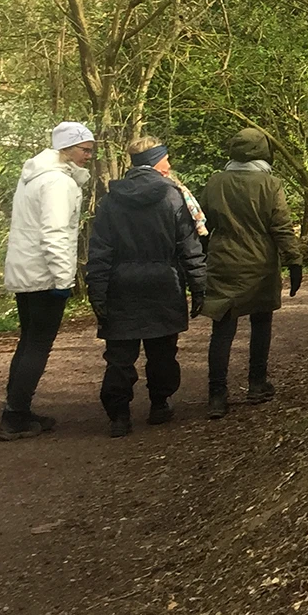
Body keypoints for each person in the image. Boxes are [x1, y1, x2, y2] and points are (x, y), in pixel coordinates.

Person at [85, 137, 206, 437]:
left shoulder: (111, 200)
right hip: (164, 283)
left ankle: (119, 417)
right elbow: (188, 247)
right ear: (156, 161)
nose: (170, 164)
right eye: (166, 159)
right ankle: (159, 404)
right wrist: (199, 286)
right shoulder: (174, 197)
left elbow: (99, 251)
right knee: (163, 351)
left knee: (119, 356)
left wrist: (97, 292)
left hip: (120, 286)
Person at [0, 119, 95, 440]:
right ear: (66, 147)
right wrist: (62, 281)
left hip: (26, 273)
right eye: (84, 149)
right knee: (38, 345)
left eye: (91, 150)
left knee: (28, 341)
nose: (89, 155)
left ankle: (17, 409)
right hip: (44, 276)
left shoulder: (34, 177)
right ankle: (15, 416)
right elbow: (55, 234)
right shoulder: (57, 183)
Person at [197, 128, 302, 419]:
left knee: (222, 330)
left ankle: (217, 395)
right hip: (260, 264)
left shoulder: (215, 182)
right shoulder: (270, 184)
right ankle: (257, 384)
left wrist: (196, 264)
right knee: (261, 322)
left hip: (223, 263)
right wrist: (294, 261)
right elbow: (280, 226)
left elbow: (202, 225)